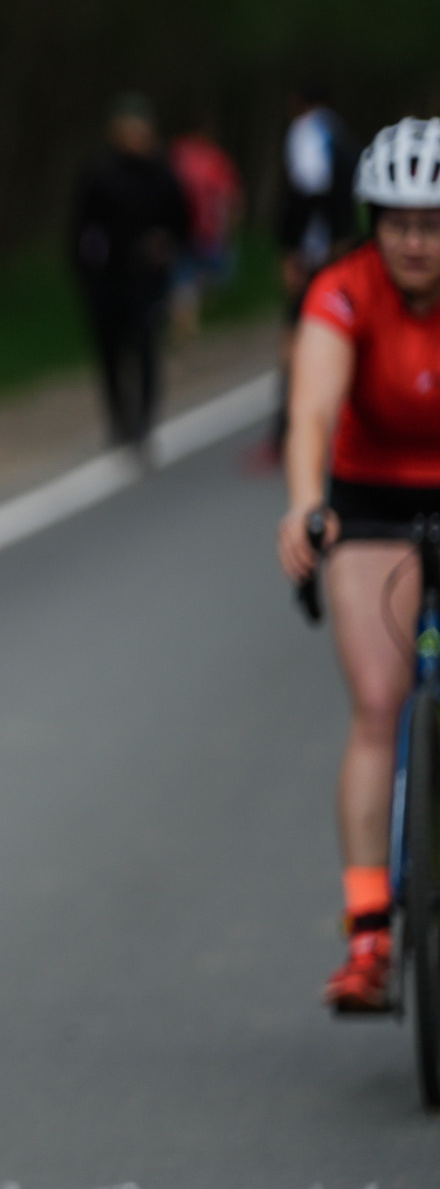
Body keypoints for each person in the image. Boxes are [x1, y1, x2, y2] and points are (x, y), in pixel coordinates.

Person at [274, 117, 440, 1013]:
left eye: (434, 225)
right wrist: (308, 506)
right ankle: (369, 935)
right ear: (373, 225)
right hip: (369, 497)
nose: (416, 242)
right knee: (380, 704)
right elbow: (311, 411)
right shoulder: (342, 289)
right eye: (399, 223)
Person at [70, 95, 190, 451]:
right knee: (110, 352)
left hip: (148, 279)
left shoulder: (163, 174)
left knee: (146, 348)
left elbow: (181, 223)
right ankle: (118, 420)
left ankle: (143, 422)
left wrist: (166, 245)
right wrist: (86, 271)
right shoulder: (99, 173)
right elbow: (80, 227)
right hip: (107, 277)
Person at [268, 86, 361, 462]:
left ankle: (286, 429)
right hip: (342, 248)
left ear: (298, 103)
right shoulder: (342, 134)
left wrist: (292, 249)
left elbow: (308, 192)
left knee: (297, 335)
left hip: (315, 253)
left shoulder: (307, 131)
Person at [167, 120, 244, 340]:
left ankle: (185, 317)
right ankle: (187, 320)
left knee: (184, 276)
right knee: (206, 274)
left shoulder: (176, 155)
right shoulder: (215, 158)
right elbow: (232, 195)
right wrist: (231, 225)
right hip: (208, 229)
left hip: (182, 229)